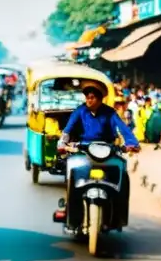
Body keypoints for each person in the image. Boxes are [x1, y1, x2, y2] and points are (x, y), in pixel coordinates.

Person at [58, 85, 140, 232]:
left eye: (92, 97)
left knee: (123, 176)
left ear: (100, 99)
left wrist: (132, 143)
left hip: (107, 149)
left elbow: (123, 129)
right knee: (70, 175)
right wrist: (63, 143)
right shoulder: (80, 111)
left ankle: (118, 216)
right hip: (83, 149)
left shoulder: (110, 113)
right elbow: (68, 129)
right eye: (87, 97)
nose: (89, 100)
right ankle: (69, 209)